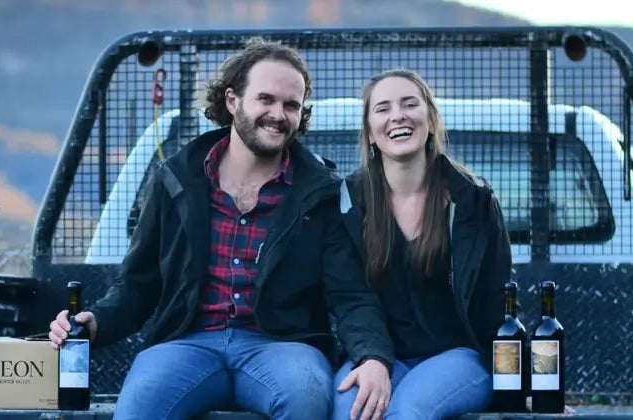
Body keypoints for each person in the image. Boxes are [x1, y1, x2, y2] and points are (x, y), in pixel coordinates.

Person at [48, 38, 393, 420]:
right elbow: (138, 284)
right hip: (187, 343)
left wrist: (373, 356)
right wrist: (95, 322)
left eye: (291, 105)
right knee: (140, 403)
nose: (278, 114)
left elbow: (350, 293)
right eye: (265, 99)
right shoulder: (176, 179)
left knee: (307, 395)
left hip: (283, 346)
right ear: (232, 100)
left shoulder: (321, 193)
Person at [333, 68, 512, 420]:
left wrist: (522, 388)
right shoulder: (347, 203)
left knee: (407, 410)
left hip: (459, 357)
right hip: (380, 356)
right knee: (348, 410)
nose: (397, 115)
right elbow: (351, 299)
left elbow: (499, 303)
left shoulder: (474, 201)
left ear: (430, 120)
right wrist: (372, 358)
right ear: (369, 132)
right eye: (383, 108)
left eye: (409, 104)